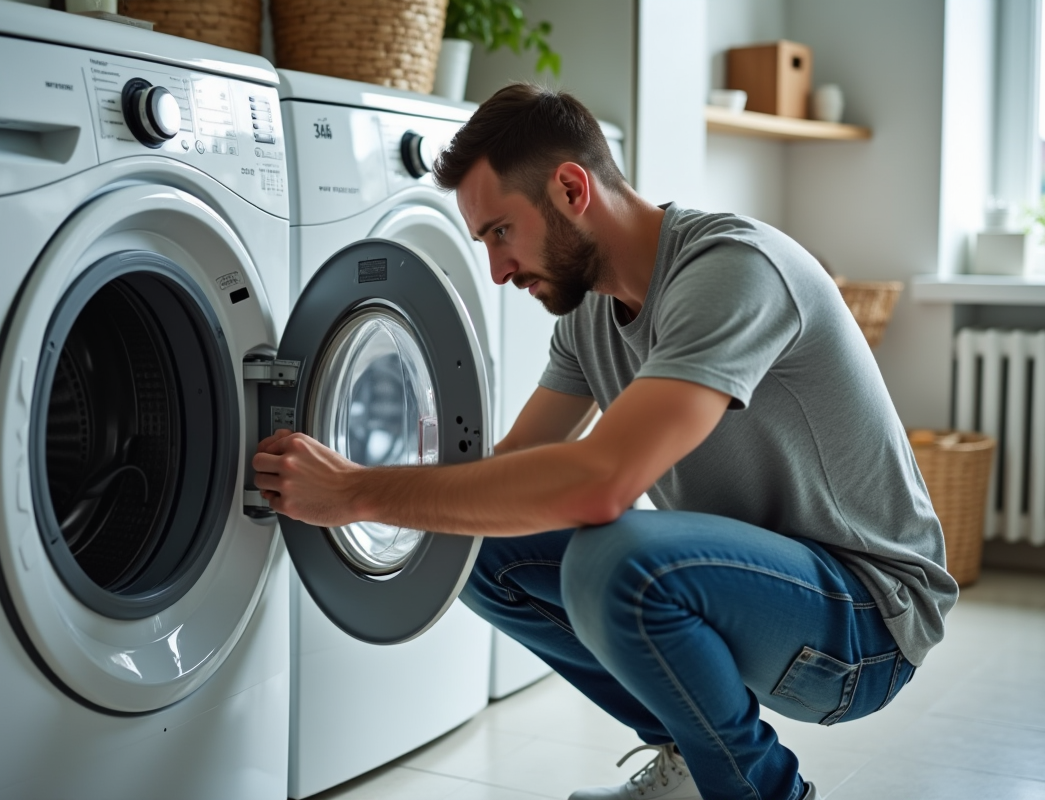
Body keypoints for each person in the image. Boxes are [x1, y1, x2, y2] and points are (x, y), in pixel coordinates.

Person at [252, 84, 957, 800]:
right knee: (470, 544)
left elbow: (599, 485)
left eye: (501, 232)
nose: (497, 270)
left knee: (616, 561)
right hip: (764, 594)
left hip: (868, 623)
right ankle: (691, 759)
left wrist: (357, 493)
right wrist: (375, 490)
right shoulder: (591, 318)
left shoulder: (734, 270)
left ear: (570, 188)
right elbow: (514, 470)